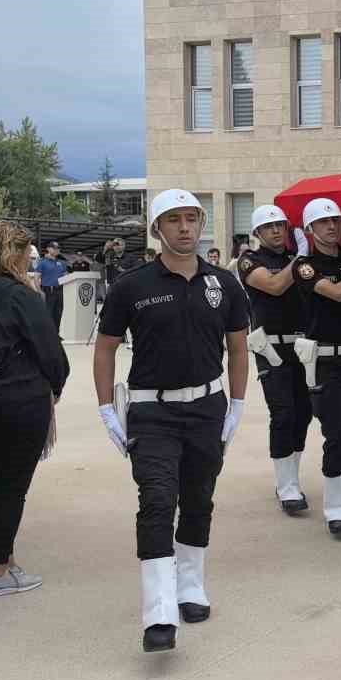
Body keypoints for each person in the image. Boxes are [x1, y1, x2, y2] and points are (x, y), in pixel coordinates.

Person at [95, 189, 250, 653]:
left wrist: (237, 405)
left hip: (207, 408)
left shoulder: (224, 283)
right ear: (157, 229)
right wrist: (107, 408)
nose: (184, 228)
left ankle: (190, 586)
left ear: (201, 225)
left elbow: (238, 348)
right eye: (174, 220)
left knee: (199, 498)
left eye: (191, 219)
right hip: (152, 411)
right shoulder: (131, 285)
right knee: (158, 501)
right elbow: (105, 348)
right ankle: (159, 611)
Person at [0, 221, 70, 598]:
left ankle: (5, 558)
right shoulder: (20, 295)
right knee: (12, 486)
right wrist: (56, 387)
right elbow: (51, 351)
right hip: (20, 399)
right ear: (14, 253)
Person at [290, 198, 341, 536]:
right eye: (323, 223)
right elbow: (336, 293)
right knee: (335, 431)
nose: (332, 227)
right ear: (309, 230)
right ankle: (334, 507)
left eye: (336, 221)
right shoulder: (305, 265)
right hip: (323, 359)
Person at [237, 204, 315, 516]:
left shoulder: (293, 258)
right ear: (257, 233)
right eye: (268, 227)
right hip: (271, 347)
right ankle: (286, 485)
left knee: (304, 412)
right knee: (283, 412)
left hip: (301, 344)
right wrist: (300, 258)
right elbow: (274, 285)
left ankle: (291, 474)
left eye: (280, 226)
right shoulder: (249, 261)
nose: (276, 231)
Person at [34, 241, 70, 330]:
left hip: (59, 290)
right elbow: (36, 278)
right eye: (54, 248)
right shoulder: (42, 262)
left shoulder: (62, 263)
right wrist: (40, 291)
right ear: (48, 249)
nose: (57, 250)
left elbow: (66, 276)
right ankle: (47, 334)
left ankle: (56, 334)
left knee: (58, 313)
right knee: (48, 313)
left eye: (58, 248)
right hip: (48, 290)